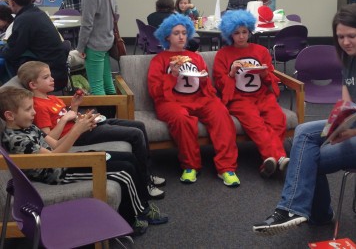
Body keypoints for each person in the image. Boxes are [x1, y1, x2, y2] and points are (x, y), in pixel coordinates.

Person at [253, 3, 356, 235]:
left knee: (309, 158)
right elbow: (346, 105)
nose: (346, 42)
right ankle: (304, 211)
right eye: (340, 36)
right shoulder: (350, 58)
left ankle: (300, 211)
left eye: (352, 36)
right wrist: (339, 125)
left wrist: (352, 132)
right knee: (303, 132)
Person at [0, 86, 169, 236]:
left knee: (129, 159)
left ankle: (142, 205)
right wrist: (76, 130)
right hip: (59, 172)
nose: (34, 112)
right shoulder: (16, 139)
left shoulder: (28, 127)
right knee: (123, 171)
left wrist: (78, 126)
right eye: (29, 109)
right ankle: (134, 218)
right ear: (10, 115)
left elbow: (56, 144)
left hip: (65, 160)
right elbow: (53, 159)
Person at [17, 60, 166, 199]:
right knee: (135, 134)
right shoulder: (38, 106)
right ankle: (146, 183)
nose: (52, 79)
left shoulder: (52, 98)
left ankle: (147, 173)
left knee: (138, 125)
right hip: (78, 136)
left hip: (83, 127)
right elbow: (50, 138)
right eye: (46, 77)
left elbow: (68, 116)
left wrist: (75, 108)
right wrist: (68, 121)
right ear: (33, 85)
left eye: (50, 75)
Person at [147, 14, 240, 187]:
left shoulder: (196, 57)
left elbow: (207, 87)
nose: (181, 37)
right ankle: (190, 166)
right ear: (167, 36)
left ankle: (226, 167)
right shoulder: (158, 60)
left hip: (200, 98)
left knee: (221, 114)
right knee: (182, 119)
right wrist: (172, 75)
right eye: (176, 33)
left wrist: (205, 83)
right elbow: (155, 92)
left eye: (184, 32)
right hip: (170, 102)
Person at [213, 10, 289, 178]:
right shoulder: (223, 55)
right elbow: (219, 84)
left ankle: (269, 161)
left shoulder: (261, 51)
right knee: (255, 124)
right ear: (229, 34)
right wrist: (232, 74)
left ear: (250, 31)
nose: (241, 36)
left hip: (262, 96)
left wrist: (264, 74)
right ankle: (279, 156)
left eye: (244, 32)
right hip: (239, 99)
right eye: (236, 33)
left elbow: (271, 79)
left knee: (278, 118)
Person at [0, 0, 65, 83]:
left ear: (12, 2)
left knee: (7, 61)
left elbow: (13, 51)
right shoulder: (38, 13)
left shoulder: (24, 19)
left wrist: (2, 50)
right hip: (56, 68)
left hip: (46, 71)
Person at [76, 0, 117, 95]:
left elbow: (87, 22)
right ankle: (114, 116)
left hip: (94, 43)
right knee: (108, 83)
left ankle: (106, 119)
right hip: (107, 40)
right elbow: (116, 13)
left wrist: (80, 48)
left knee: (97, 87)